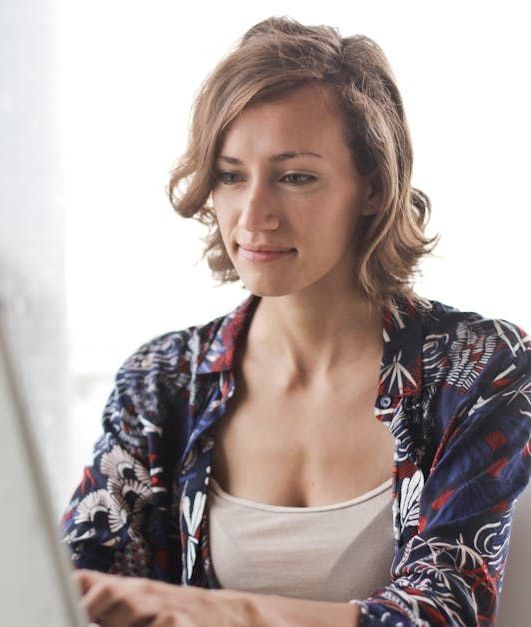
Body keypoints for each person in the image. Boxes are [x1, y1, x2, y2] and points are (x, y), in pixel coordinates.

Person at [61, 16, 531, 626]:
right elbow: (72, 584)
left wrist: (208, 611)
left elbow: (446, 610)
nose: (253, 215)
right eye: (231, 176)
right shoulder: (163, 380)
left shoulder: (480, 368)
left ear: (371, 187)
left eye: (295, 178)